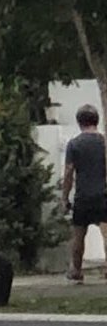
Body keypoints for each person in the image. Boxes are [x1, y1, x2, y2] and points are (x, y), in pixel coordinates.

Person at [61, 103, 107, 283]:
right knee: (106, 233)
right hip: (103, 194)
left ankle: (76, 271)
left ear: (79, 122)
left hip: (82, 196)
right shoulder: (104, 143)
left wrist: (65, 197)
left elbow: (68, 172)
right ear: (97, 120)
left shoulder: (74, 144)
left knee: (78, 236)